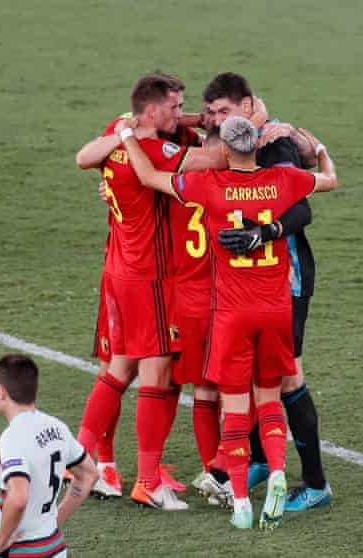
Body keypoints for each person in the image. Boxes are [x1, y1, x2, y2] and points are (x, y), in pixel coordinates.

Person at [118, 115, 337, 529]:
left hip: (232, 314)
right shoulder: (282, 181)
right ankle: (276, 472)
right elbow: (328, 179)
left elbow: (148, 177)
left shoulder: (208, 186)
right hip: (275, 310)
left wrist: (127, 136)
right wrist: (319, 147)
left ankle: (239, 499)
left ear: (225, 150)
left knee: (235, 410)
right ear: (256, 144)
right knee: (270, 399)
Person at [73, 73, 225, 511]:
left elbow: (84, 157)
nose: (183, 114)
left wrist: (125, 135)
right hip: (150, 276)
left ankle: (81, 459)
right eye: (177, 107)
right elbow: (215, 161)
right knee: (156, 376)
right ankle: (143, 480)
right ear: (154, 111)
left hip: (119, 268)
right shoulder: (157, 149)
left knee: (119, 369)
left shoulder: (120, 132)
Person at [202, 72, 334, 512]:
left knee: (288, 374)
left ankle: (315, 482)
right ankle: (258, 459)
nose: (217, 121)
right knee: (254, 371)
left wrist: (265, 233)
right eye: (212, 114)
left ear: (246, 104)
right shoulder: (242, 139)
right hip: (252, 287)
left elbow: (302, 208)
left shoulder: (275, 145)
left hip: (287, 279)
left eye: (225, 112)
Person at [0, 354, 98, 558]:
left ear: (2, 391)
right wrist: (54, 521)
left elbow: (19, 497)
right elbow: (89, 475)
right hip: (54, 547)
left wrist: (0, 542)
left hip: (20, 551)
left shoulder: (12, 437)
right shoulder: (57, 427)